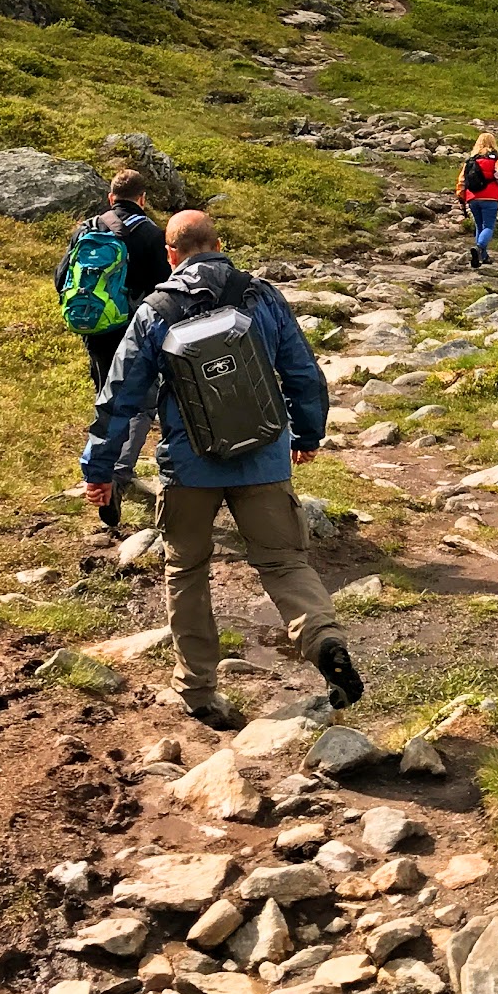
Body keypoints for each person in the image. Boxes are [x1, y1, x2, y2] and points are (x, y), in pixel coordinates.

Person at [80, 209, 361, 731]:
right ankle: (325, 641)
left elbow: (119, 398)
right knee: (284, 563)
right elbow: (303, 372)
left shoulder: (155, 310)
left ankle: (196, 689)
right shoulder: (262, 295)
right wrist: (306, 435)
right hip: (264, 458)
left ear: (170, 254)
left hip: (189, 469)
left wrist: (100, 469)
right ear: (219, 244)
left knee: (186, 571)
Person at [55, 169, 170, 535]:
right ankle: (118, 474)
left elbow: (61, 279)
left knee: (106, 394)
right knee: (140, 401)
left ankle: (100, 461)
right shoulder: (151, 233)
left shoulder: (86, 228)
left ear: (109, 197)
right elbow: (163, 287)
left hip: (94, 328)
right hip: (133, 328)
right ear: (142, 199)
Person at [456, 130, 498, 268]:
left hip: (473, 198)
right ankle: (479, 248)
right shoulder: (496, 158)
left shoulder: (470, 160)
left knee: (479, 225)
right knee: (488, 226)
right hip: (490, 197)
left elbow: (462, 180)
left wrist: (461, 196)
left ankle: (482, 257)